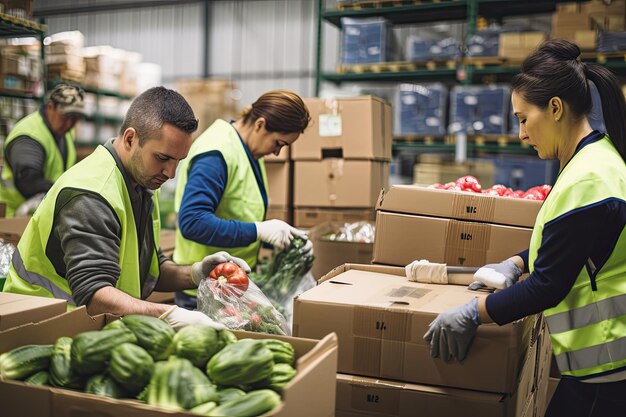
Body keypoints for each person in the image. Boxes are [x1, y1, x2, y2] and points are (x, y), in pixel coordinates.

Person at [424, 39, 626, 417]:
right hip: (602, 366)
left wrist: (474, 312)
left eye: (522, 118)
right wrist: (517, 263)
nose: (521, 134)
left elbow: (548, 285)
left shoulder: (587, 179)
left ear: (554, 108)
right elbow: (576, 247)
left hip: (610, 367)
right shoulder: (594, 159)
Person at [3, 86, 250, 330]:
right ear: (131, 139)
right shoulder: (92, 195)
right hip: (43, 328)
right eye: (163, 158)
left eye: (178, 161)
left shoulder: (139, 183)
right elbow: (95, 295)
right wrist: (168, 314)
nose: (171, 173)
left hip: (95, 327)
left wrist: (196, 274)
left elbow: (149, 267)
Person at [173, 90, 311, 309]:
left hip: (229, 285)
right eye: (279, 143)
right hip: (204, 292)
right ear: (260, 124)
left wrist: (286, 238)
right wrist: (258, 230)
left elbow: (237, 213)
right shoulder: (217, 153)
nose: (276, 153)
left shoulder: (248, 150)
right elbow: (193, 222)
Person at [0, 84, 86, 218]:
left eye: (74, 118)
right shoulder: (29, 137)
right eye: (65, 117)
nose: (69, 124)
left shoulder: (65, 132)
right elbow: (29, 182)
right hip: (16, 218)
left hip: (44, 214)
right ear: (50, 107)